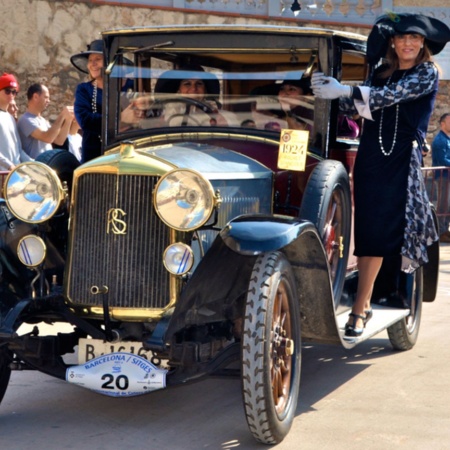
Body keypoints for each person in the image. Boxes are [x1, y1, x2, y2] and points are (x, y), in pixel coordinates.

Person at [311, 13, 450, 337]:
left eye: (415, 38)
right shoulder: (380, 72)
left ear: (424, 44)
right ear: (393, 41)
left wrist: (345, 90)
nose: (409, 43)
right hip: (372, 156)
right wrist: (324, 89)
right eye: (403, 37)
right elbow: (350, 109)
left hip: (403, 160)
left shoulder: (427, 72)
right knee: (370, 229)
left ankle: (368, 305)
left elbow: (394, 96)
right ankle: (363, 302)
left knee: (395, 230)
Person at [71, 39, 133, 163]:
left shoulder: (132, 87)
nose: (92, 64)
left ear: (111, 63)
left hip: (127, 152)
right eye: (90, 60)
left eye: (98, 59)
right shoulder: (84, 90)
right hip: (94, 155)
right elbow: (85, 120)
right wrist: (121, 118)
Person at [17, 83, 75, 159]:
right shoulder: (25, 120)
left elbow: (59, 140)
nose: (49, 101)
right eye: (46, 97)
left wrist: (68, 119)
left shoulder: (42, 120)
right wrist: (62, 116)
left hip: (46, 167)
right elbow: (48, 138)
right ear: (35, 97)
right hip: (35, 168)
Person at [0, 73, 33, 170]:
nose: (11, 95)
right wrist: (9, 166)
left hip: (13, 175)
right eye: (7, 91)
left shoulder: (11, 118)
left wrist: (35, 164)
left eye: (14, 92)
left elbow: (18, 149)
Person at [431, 113, 450, 241]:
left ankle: (445, 229)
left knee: (448, 205)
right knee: (443, 204)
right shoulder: (439, 140)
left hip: (448, 176)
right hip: (443, 177)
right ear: (442, 123)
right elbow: (442, 160)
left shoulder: (447, 138)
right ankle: (441, 231)